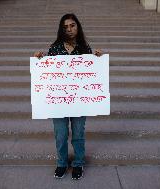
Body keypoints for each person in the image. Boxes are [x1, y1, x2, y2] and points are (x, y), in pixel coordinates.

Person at [34, 13, 103, 180]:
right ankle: (62, 163)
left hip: (79, 101)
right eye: (65, 27)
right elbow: (48, 73)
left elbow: (91, 73)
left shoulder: (84, 48)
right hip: (59, 101)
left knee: (78, 133)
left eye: (72, 25)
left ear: (77, 26)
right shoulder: (55, 47)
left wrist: (98, 58)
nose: (69, 29)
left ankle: (78, 163)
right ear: (61, 30)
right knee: (61, 134)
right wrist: (40, 59)